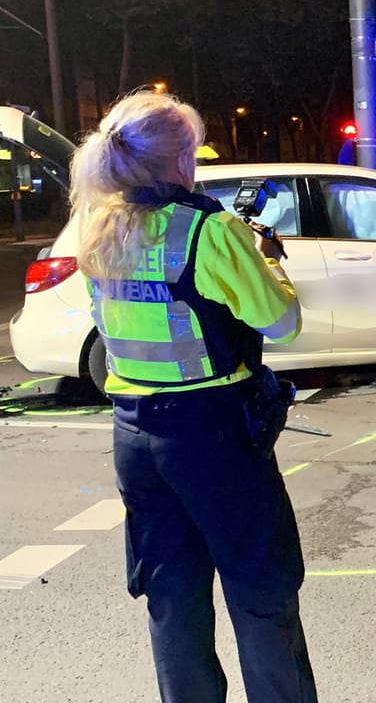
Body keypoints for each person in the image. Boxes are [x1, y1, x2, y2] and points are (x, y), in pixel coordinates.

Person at [68, 90, 318, 703]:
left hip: (134, 437)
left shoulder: (95, 227)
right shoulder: (210, 230)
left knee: (172, 601)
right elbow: (281, 322)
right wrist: (267, 259)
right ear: (181, 161)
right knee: (261, 594)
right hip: (214, 438)